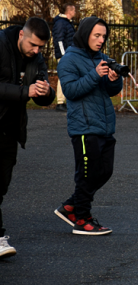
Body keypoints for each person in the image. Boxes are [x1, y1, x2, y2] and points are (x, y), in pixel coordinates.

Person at [54, 16, 123, 235]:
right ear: (85, 34)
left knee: (104, 172)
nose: (101, 40)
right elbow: (71, 91)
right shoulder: (68, 60)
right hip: (84, 127)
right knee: (86, 174)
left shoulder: (103, 58)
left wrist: (114, 79)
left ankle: (70, 207)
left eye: (104, 36)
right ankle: (82, 219)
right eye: (97, 35)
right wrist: (95, 75)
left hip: (104, 125)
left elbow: (112, 91)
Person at [0, 18, 55, 257]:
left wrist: (46, 92)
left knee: (1, 184)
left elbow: (43, 93)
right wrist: (25, 91)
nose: (36, 51)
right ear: (21, 34)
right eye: (33, 44)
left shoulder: (36, 57)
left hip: (10, 129)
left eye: (41, 47)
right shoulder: (1, 44)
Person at [52, 4, 77, 112]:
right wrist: (64, 55)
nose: (75, 12)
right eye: (74, 10)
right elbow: (59, 40)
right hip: (65, 55)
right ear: (70, 11)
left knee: (68, 77)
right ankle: (60, 102)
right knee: (64, 77)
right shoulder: (61, 23)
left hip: (69, 54)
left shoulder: (66, 23)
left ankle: (65, 101)